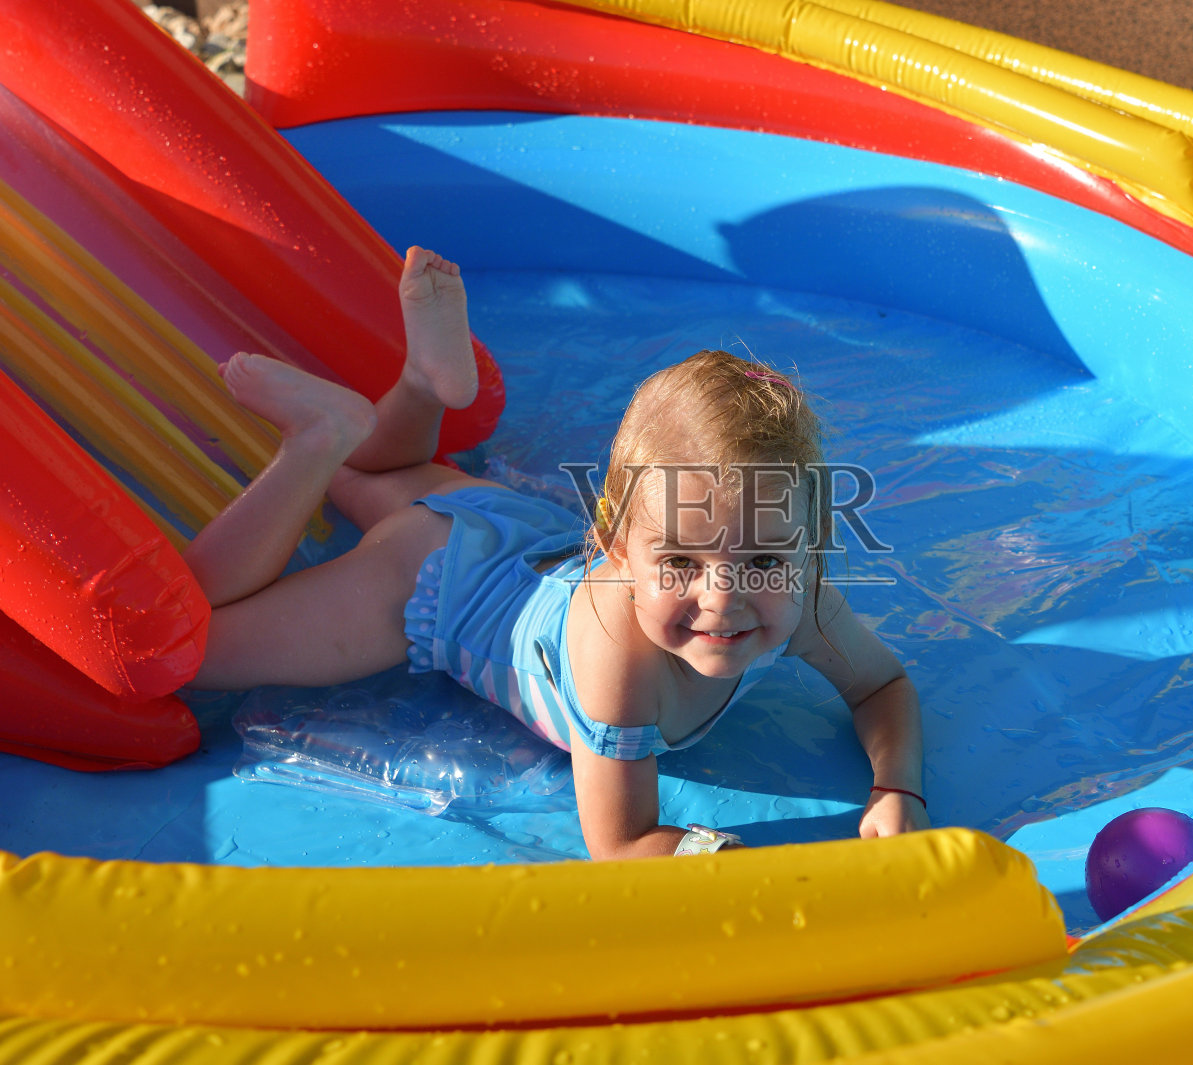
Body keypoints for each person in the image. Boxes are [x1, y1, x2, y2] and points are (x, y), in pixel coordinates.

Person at [187, 246, 928, 859]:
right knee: (192, 640)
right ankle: (313, 442)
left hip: (513, 531)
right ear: (612, 544)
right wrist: (714, 859)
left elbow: (881, 685)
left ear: (809, 544)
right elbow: (622, 842)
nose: (724, 597)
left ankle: (419, 387)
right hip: (432, 581)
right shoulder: (621, 659)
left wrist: (897, 786)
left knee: (367, 474)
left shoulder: (800, 600)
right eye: (682, 564)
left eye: (766, 561)